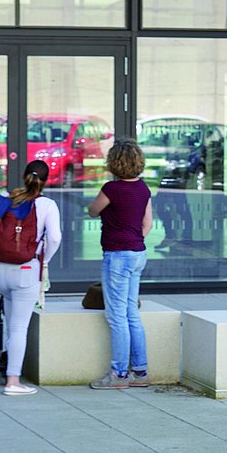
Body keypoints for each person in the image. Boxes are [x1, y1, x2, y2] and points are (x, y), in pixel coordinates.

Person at [0, 160, 62, 396]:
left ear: (23, 176)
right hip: (25, 272)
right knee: (19, 328)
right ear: (47, 180)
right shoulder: (47, 205)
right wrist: (44, 259)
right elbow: (55, 238)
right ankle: (13, 381)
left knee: (12, 324)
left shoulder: (4, 198)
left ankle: (9, 367)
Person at [87, 138, 152, 390]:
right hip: (138, 253)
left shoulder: (111, 190)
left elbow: (93, 210)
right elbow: (147, 225)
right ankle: (140, 371)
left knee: (116, 317)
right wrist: (133, 239)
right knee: (131, 313)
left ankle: (119, 374)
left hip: (117, 255)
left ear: (114, 163)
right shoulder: (143, 189)